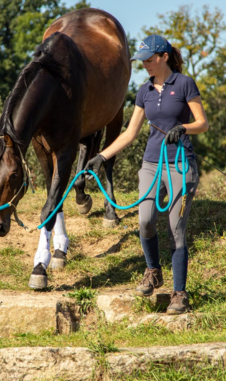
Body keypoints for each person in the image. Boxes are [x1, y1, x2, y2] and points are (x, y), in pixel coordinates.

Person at [85, 34, 209, 315]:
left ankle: (179, 293)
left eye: (150, 60)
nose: (146, 66)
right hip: (152, 163)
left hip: (180, 164)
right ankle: (153, 271)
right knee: (145, 222)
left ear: (164, 56)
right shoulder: (144, 91)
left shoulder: (185, 84)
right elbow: (130, 132)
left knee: (176, 230)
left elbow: (202, 123)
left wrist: (184, 128)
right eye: (142, 61)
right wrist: (102, 156)